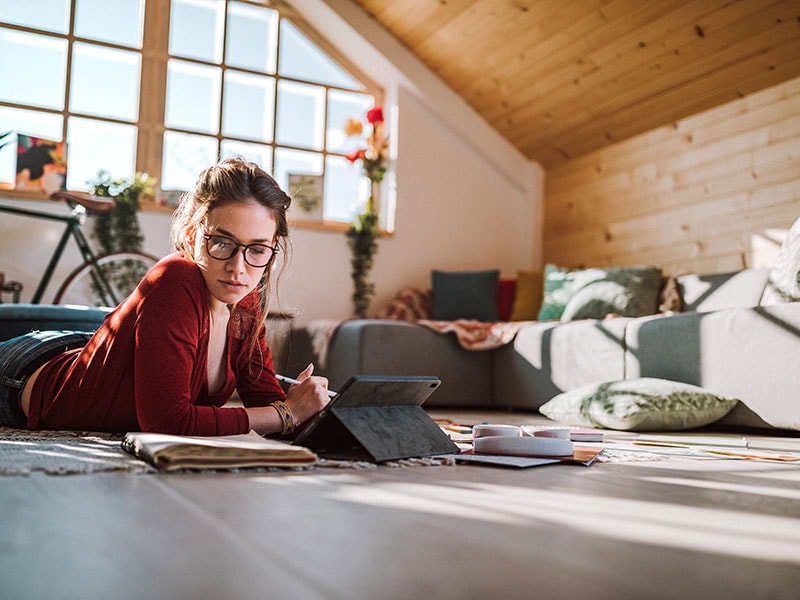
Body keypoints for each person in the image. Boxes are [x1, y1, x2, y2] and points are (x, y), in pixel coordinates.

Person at [0, 157, 331, 436]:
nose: (237, 267)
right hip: (21, 377)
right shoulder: (175, 280)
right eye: (221, 242)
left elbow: (267, 403)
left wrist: (310, 407)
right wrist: (287, 412)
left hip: (84, 349)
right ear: (191, 235)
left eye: (257, 249)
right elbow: (167, 423)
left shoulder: (244, 299)